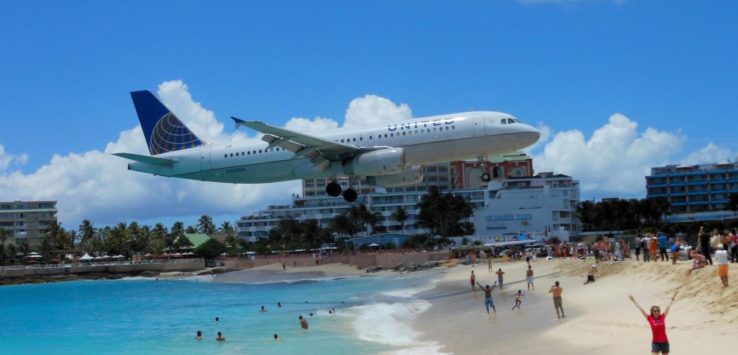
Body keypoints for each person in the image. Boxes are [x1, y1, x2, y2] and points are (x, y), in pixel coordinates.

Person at [628, 289, 679, 355]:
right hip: (655, 343)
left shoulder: (662, 317)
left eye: (658, 310)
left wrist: (673, 297)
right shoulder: (649, 318)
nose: (656, 312)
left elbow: (668, 306)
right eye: (654, 311)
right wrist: (634, 301)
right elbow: (641, 309)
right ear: (652, 312)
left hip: (664, 342)